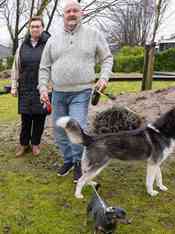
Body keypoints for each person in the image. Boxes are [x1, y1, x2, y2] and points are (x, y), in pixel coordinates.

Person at [38, 0, 113, 183]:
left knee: (76, 129)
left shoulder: (93, 35)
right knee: (59, 131)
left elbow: (107, 58)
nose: (71, 14)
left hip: (81, 92)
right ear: (63, 15)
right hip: (58, 93)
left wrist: (104, 78)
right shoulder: (53, 40)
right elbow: (44, 67)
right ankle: (69, 160)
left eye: (75, 11)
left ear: (82, 13)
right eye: (68, 11)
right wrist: (42, 88)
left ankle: (80, 163)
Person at [10, 16, 50, 157]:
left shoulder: (49, 44)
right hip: (25, 87)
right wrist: (14, 86)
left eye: (37, 26)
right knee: (25, 119)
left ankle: (35, 144)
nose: (35, 29)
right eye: (32, 26)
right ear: (29, 28)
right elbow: (16, 67)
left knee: (40, 118)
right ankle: (23, 144)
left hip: (43, 87)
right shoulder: (22, 45)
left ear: (42, 28)